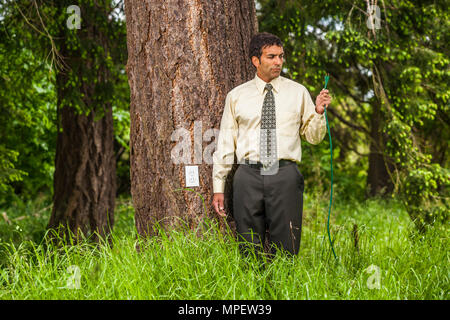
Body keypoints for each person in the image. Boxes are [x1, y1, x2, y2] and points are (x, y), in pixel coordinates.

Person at [211, 32, 332, 256]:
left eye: (281, 56)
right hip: (247, 175)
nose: (278, 62)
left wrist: (318, 112)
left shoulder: (298, 93)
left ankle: (284, 287)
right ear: (255, 60)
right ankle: (251, 287)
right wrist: (218, 186)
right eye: (271, 57)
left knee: (288, 242)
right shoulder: (236, 96)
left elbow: (314, 138)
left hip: (285, 174)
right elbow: (226, 144)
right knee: (247, 244)